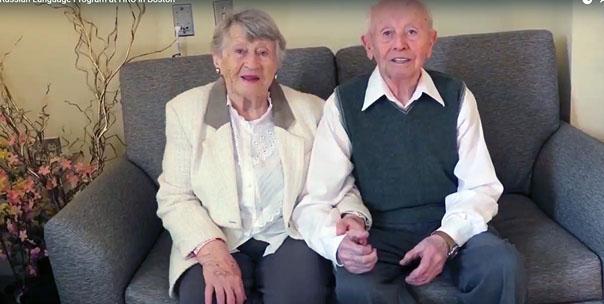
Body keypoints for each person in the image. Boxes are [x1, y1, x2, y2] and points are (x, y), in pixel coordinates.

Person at [293, 0, 527, 303]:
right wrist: (338, 244)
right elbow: (318, 197)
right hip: (379, 231)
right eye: (387, 33)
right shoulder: (341, 104)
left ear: (431, 42)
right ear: (369, 45)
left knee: (503, 266)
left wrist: (445, 239)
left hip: (449, 221)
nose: (400, 44)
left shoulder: (457, 95)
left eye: (412, 32)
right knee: (357, 287)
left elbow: (480, 185)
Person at [156, 9, 331, 304]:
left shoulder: (312, 110)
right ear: (217, 59)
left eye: (263, 52)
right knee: (206, 298)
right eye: (240, 51)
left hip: (287, 233)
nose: (251, 62)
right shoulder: (184, 111)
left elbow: (334, 181)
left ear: (277, 62)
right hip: (217, 234)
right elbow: (175, 196)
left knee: (302, 296)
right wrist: (211, 250)